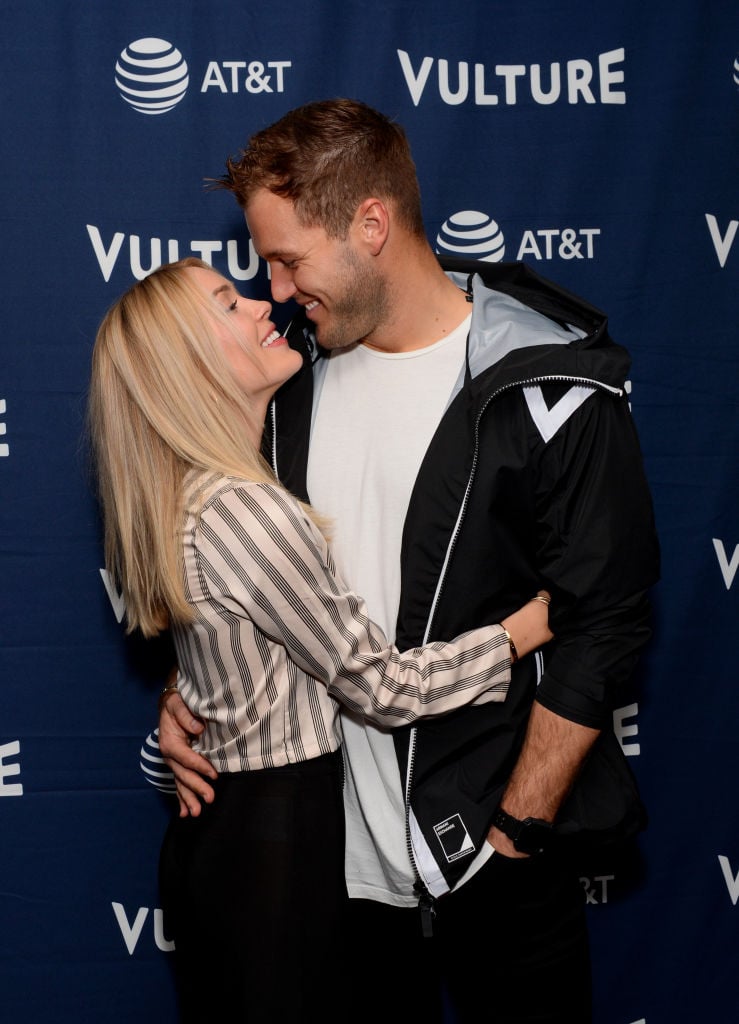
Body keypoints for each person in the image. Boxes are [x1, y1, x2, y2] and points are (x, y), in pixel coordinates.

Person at [159, 99, 660, 1023]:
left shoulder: (547, 382)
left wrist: (515, 829)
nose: (272, 290)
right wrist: (193, 690)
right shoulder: (282, 396)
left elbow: (607, 618)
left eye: (287, 259)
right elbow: (254, 594)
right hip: (329, 878)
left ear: (372, 225)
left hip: (498, 861)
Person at [88, 256, 553, 1021]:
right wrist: (522, 629)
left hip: (234, 840)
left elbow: (230, 662)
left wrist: (177, 695)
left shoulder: (193, 497)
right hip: (275, 848)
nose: (263, 304)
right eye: (227, 304)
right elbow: (381, 687)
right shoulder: (247, 510)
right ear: (190, 365)